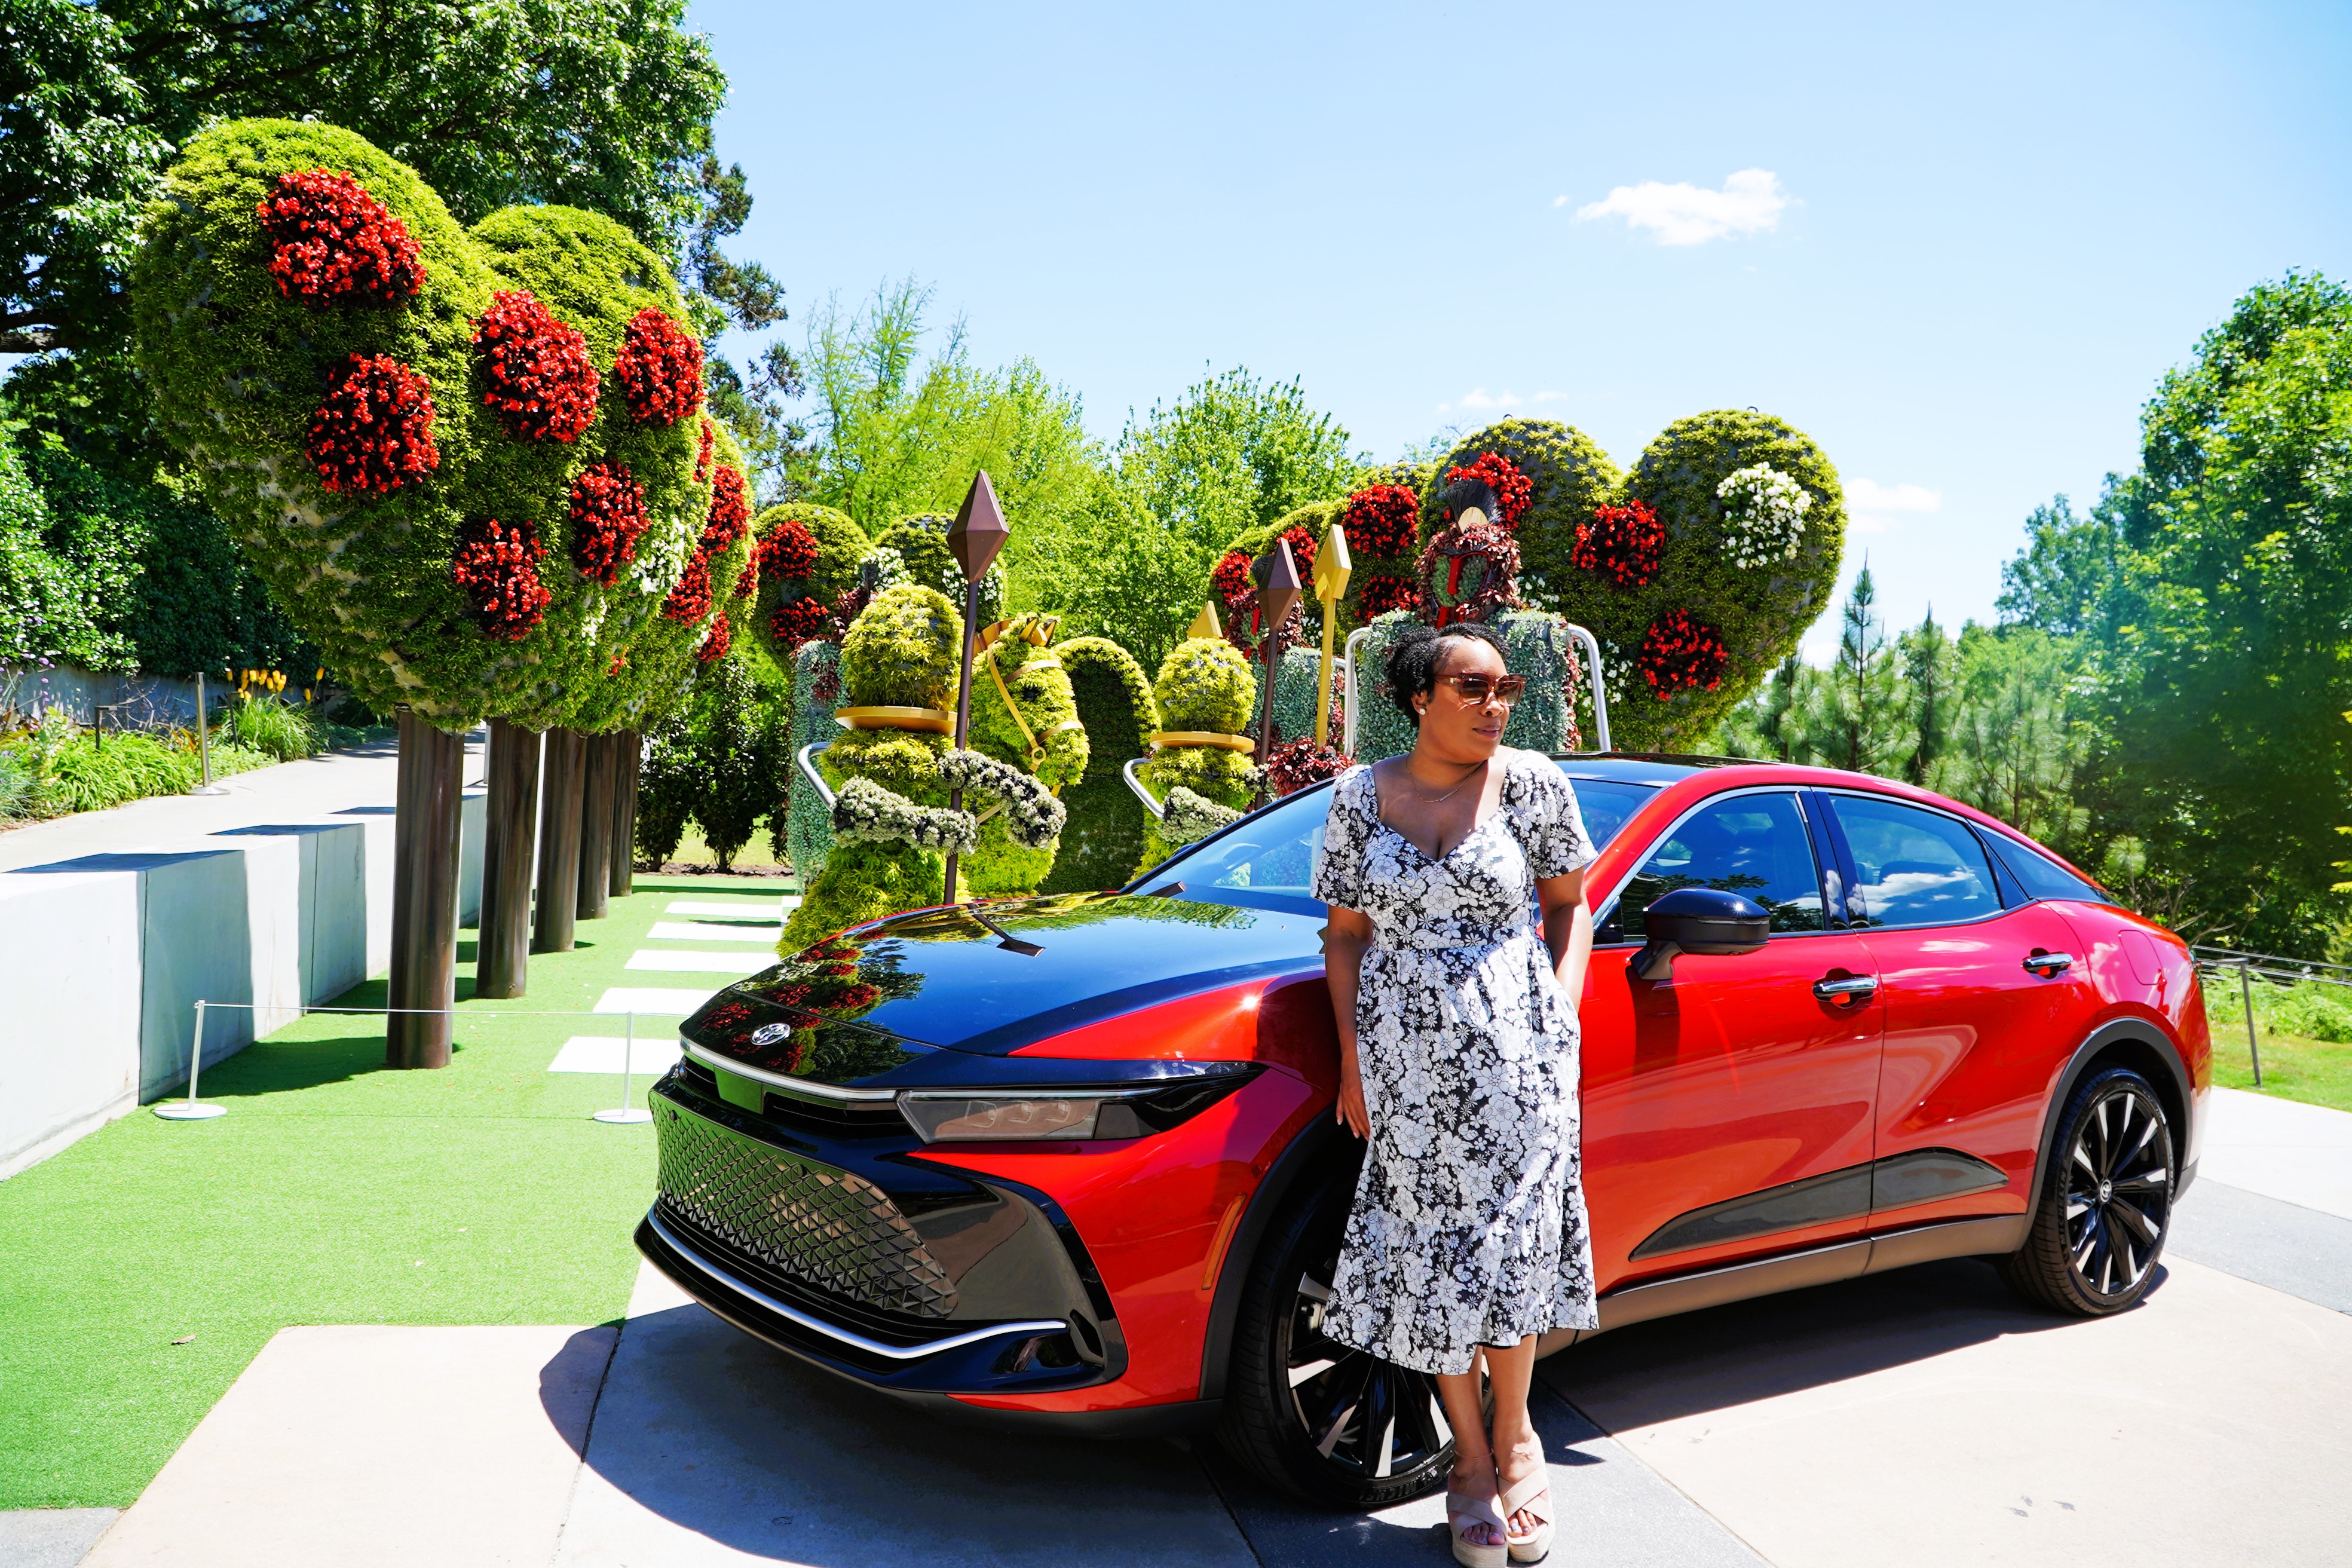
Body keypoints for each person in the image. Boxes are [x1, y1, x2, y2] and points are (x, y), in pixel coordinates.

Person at [1309, 619, 1597, 1568]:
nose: (1495, 705)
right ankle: (1467, 1464)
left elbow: (1571, 905)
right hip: (1405, 1072)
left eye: (1505, 687)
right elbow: (1345, 934)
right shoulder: (1359, 797)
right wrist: (1352, 1059)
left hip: (1518, 1061)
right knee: (1431, 1259)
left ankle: (1517, 1441)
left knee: (1511, 1249)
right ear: (1420, 697)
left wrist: (1562, 1013)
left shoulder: (1534, 786)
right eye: (1473, 688)